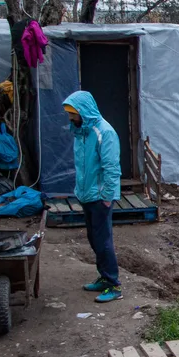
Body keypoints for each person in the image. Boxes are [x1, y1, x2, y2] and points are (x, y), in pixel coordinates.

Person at [63, 91, 123, 302]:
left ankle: (113, 285)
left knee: (103, 240)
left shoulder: (104, 133)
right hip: (87, 194)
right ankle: (104, 278)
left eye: (73, 113)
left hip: (100, 196)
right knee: (93, 238)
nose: (71, 118)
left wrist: (107, 196)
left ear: (84, 112)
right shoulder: (82, 132)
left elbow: (111, 167)